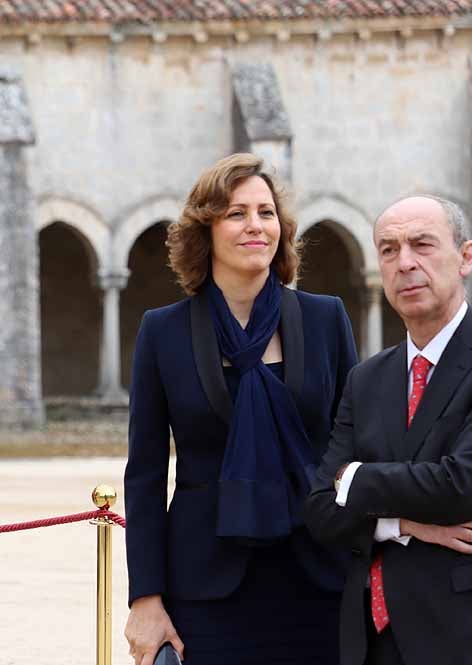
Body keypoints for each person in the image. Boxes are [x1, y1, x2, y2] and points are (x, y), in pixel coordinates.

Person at [123, 154, 358, 665]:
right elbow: (143, 475)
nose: (256, 225)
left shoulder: (325, 319)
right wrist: (145, 598)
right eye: (236, 213)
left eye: (266, 212)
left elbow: (359, 452)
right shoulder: (163, 332)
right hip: (206, 588)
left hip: (318, 578)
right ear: (205, 230)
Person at [304, 195, 472, 665]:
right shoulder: (367, 378)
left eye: (422, 244)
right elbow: (320, 509)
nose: (405, 263)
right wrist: (403, 525)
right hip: (369, 639)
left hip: (457, 632)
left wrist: (354, 479)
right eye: (389, 249)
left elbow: (461, 483)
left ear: (465, 258)